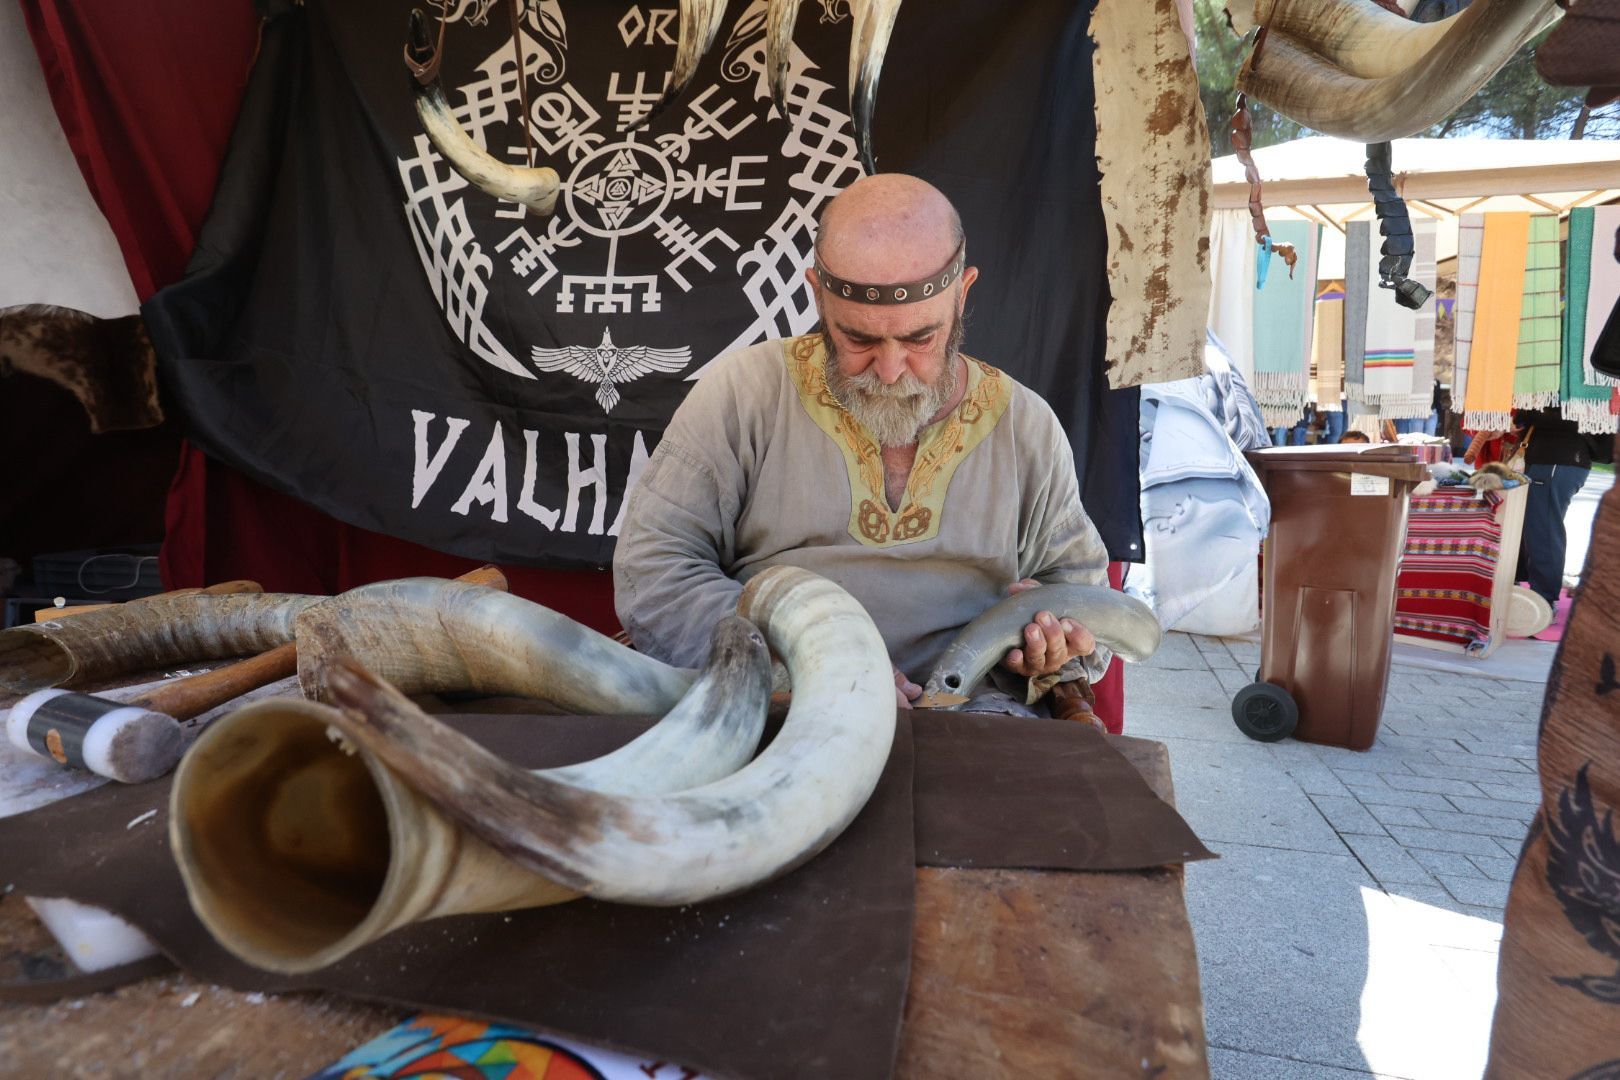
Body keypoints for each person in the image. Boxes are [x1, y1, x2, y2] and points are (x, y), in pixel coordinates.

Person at [613, 174, 1112, 717]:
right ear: (818, 295)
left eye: (920, 338)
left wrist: (1052, 640)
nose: (891, 369)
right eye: (859, 338)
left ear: (962, 294)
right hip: (779, 705)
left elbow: (1084, 600)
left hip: (972, 712)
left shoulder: (1025, 426)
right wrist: (800, 666)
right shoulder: (744, 393)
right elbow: (655, 569)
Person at [1510, 406, 1613, 609]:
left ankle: (1543, 600)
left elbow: (1567, 416)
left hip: (1556, 459)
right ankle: (1536, 593)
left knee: (1543, 529)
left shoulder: (1573, 392)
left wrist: (1522, 416)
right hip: (1557, 458)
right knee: (1533, 526)